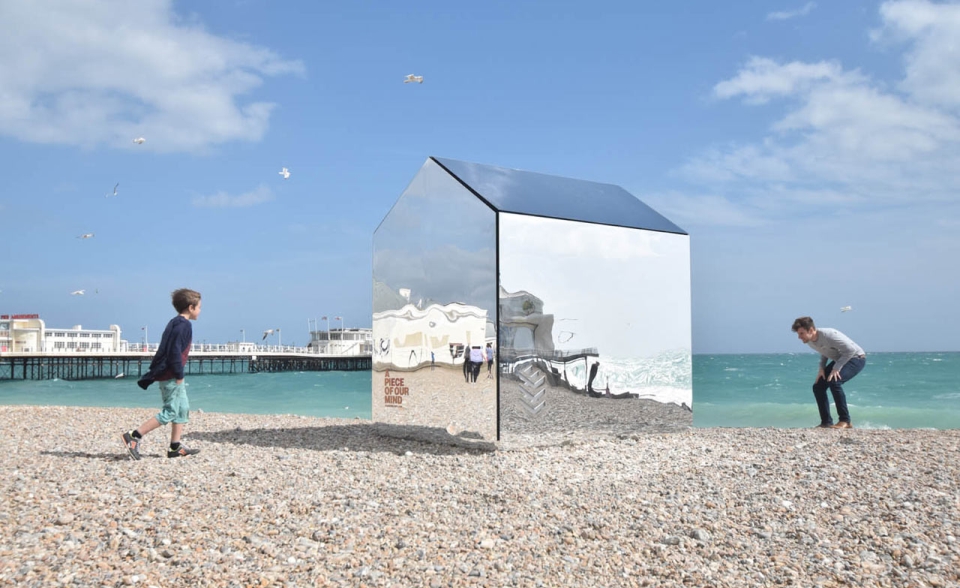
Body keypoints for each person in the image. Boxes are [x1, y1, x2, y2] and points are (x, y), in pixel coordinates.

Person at [121, 288, 203, 459]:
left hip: (170, 372)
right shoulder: (184, 325)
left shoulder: (174, 322)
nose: (200, 311)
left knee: (183, 408)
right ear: (190, 307)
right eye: (199, 307)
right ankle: (134, 435)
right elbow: (174, 351)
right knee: (171, 410)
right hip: (171, 374)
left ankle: (175, 446)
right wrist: (179, 374)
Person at [791, 316, 866, 429]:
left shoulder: (829, 335)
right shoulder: (810, 341)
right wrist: (821, 368)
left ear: (811, 330)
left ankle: (845, 421)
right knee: (818, 387)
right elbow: (824, 351)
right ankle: (826, 422)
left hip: (856, 358)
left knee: (835, 382)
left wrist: (836, 368)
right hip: (841, 359)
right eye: (798, 334)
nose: (799, 337)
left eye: (801, 333)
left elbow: (851, 350)